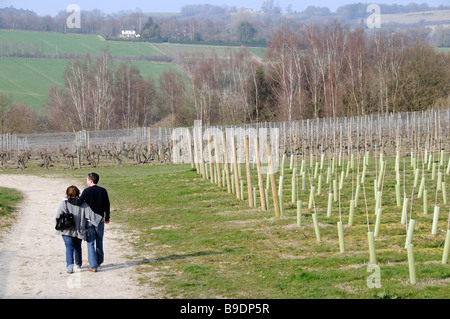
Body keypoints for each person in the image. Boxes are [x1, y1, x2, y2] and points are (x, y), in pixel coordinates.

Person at [67, 172, 110, 272]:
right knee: (99, 241)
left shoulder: (87, 191)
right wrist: (107, 217)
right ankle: (99, 261)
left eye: (87, 179)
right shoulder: (103, 190)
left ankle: (93, 266)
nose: (86, 181)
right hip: (100, 220)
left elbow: (78, 202)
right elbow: (107, 205)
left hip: (90, 221)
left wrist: (68, 200)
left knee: (90, 243)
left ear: (90, 180)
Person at [55, 186, 102, 273]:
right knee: (77, 247)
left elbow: (57, 216)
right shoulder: (83, 204)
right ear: (78, 193)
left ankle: (69, 267)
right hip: (79, 230)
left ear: (67, 193)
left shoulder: (64, 204)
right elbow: (91, 215)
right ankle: (78, 264)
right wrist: (100, 219)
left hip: (66, 230)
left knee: (69, 247)